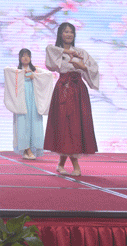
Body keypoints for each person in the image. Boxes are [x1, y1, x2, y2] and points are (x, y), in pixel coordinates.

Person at [44, 22, 99, 176]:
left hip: (78, 90)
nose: (69, 34)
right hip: (63, 88)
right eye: (66, 31)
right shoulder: (56, 51)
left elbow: (93, 68)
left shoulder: (80, 52)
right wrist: (67, 52)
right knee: (65, 124)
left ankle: (61, 163)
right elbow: (49, 53)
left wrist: (83, 67)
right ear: (60, 34)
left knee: (74, 125)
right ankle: (75, 165)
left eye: (71, 32)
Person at [3, 48, 54, 160]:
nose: (25, 58)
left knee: (34, 123)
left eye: (28, 56)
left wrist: (34, 76)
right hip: (22, 101)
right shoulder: (17, 71)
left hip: (33, 99)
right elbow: (6, 70)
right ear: (19, 58)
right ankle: (27, 149)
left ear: (30, 58)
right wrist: (21, 74)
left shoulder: (36, 70)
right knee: (22, 123)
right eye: (23, 55)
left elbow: (49, 75)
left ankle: (30, 149)